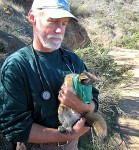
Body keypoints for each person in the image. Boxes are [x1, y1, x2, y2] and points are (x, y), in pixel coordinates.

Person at [0, 0, 99, 149]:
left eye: (64, 24)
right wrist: (67, 136)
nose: (59, 30)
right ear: (32, 17)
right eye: (52, 22)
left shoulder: (72, 60)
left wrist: (81, 106)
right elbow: (15, 127)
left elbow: (94, 100)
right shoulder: (16, 66)